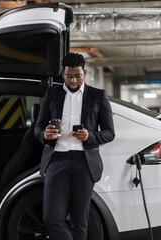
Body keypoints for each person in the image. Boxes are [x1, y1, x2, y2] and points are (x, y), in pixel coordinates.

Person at [34, 52, 115, 240]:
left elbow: (110, 132)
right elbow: (37, 128)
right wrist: (44, 134)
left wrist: (90, 136)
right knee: (52, 218)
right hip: (57, 160)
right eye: (69, 76)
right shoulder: (52, 94)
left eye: (77, 76)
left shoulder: (97, 96)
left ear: (84, 73)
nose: (73, 80)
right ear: (63, 74)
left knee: (80, 222)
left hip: (85, 163)